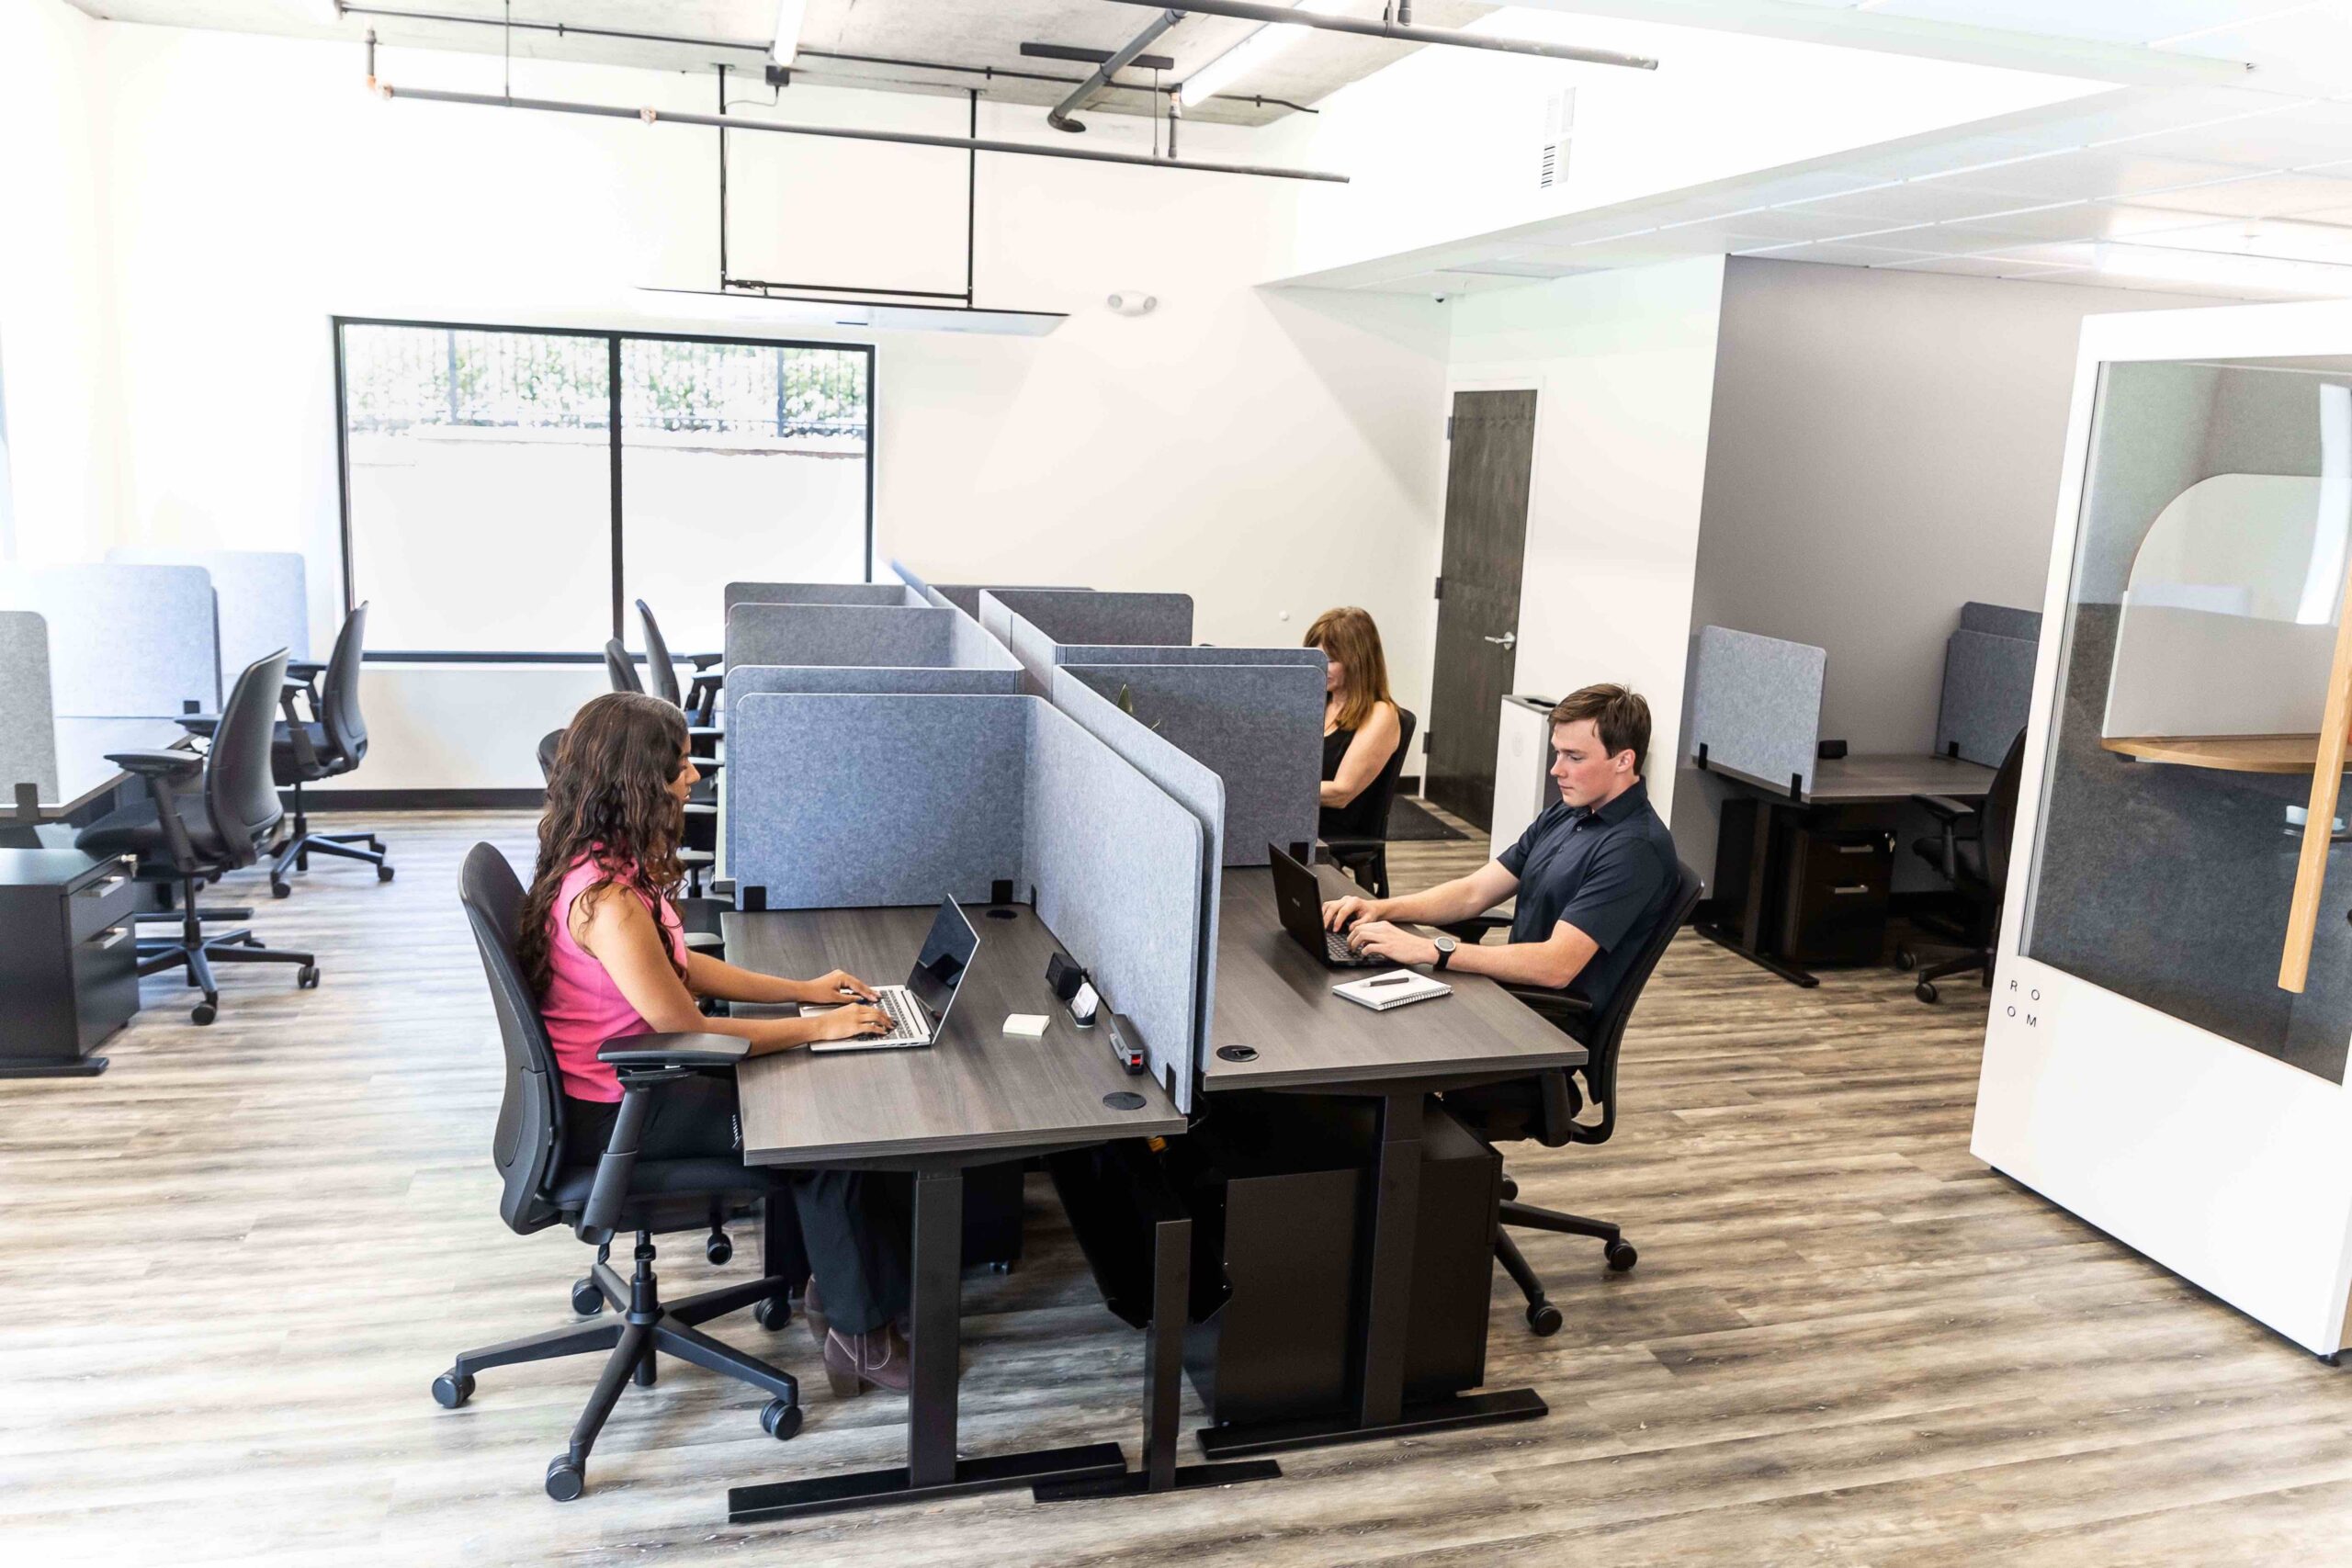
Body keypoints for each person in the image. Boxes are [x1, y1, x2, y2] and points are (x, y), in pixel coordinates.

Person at [516, 692, 913, 1397]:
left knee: (815, 1086)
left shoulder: (608, 862)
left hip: (635, 1078)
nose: (694, 776)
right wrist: (818, 1028)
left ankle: (841, 1299)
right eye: (681, 764)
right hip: (624, 1110)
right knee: (820, 1130)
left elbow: (684, 962)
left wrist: (805, 988)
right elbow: (689, 1028)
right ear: (640, 780)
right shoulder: (604, 902)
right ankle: (861, 1336)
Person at [1323, 683, 1677, 1016]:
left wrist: (1431, 950)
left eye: (1574, 757)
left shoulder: (1634, 849)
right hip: (1506, 990)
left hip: (1543, 1015)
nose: (1556, 769)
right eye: (1557, 753)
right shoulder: (1569, 812)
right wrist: (1379, 909)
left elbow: (1556, 967)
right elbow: (1473, 892)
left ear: (1623, 761)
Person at [1306, 606, 1405, 845]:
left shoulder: (1381, 713)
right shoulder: (1320, 700)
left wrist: (1278, 791)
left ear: (1357, 662)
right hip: (1303, 815)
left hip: (1333, 826)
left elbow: (1342, 792)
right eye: (1314, 658)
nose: (1320, 667)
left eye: (1329, 660)